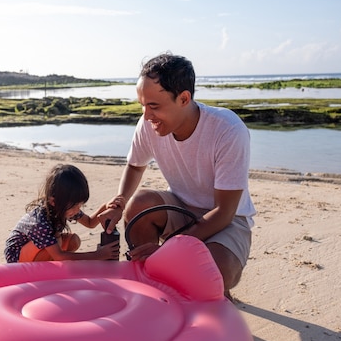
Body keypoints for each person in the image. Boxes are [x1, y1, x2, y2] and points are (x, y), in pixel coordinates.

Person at [99, 53, 256, 299]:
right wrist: (118, 203)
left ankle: (207, 286)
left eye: (154, 106)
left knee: (219, 270)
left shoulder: (228, 129)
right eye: (142, 104)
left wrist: (169, 250)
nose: (146, 115)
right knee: (138, 204)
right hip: (181, 209)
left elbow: (224, 212)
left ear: (184, 98)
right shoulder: (148, 124)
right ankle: (154, 287)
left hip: (226, 219)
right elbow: (135, 165)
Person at [5, 164, 120, 263]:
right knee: (57, 241)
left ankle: (51, 267)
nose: (77, 210)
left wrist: (106, 206)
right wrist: (97, 255)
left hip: (38, 249)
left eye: (79, 205)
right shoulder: (40, 221)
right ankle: (44, 271)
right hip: (17, 257)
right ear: (53, 201)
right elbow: (59, 256)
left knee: (73, 240)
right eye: (75, 206)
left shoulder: (64, 207)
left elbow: (90, 222)